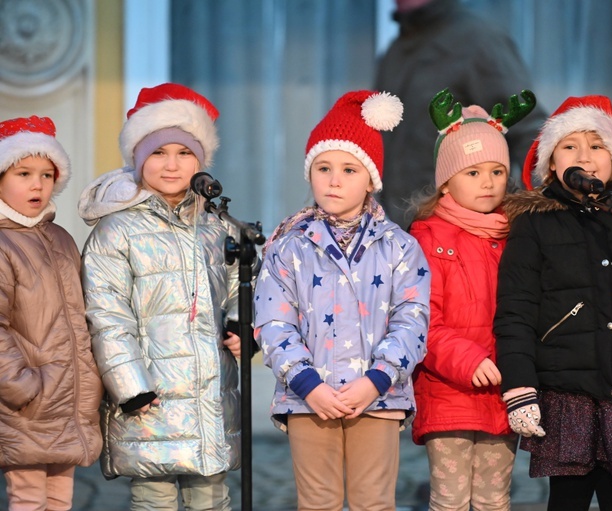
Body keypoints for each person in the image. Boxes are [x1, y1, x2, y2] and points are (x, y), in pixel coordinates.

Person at [493, 95, 612, 511]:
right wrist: (519, 386)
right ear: (550, 165)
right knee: (568, 499)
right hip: (568, 392)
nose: (585, 155)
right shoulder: (534, 225)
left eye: (596, 145)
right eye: (570, 146)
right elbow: (516, 309)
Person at [254, 90, 431, 511]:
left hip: (378, 397)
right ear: (309, 173)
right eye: (323, 167)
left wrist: (377, 379)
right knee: (317, 502)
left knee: (373, 501)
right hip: (308, 398)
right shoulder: (288, 247)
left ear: (370, 179)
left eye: (349, 169)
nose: (334, 179)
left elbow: (413, 319)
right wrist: (306, 383)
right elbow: (273, 322)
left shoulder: (399, 248)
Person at [79, 83, 241, 511]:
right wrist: (130, 386)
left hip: (207, 394)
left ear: (201, 161)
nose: (172, 165)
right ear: (137, 158)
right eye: (158, 153)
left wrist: (244, 324)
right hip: (148, 397)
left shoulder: (217, 226)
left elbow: (246, 281)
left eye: (184, 153)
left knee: (211, 496)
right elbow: (106, 312)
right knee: (154, 497)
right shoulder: (116, 231)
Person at [407, 88, 535, 510]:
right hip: (449, 391)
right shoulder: (428, 238)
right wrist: (468, 360)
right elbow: (423, 318)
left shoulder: (513, 235)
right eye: (473, 172)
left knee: (495, 499)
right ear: (447, 180)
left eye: (497, 171)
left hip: (503, 390)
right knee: (450, 498)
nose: (488, 183)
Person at [0, 116, 103, 511]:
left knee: (60, 499)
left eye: (47, 175)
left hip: (68, 393)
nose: (37, 184)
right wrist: (21, 384)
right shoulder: (5, 243)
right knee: (27, 497)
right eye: (23, 173)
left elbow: (79, 313)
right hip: (27, 400)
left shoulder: (60, 238)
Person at [374, 0, 547, 228]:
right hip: (400, 233)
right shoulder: (396, 50)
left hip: (461, 236)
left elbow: (528, 133)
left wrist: (547, 220)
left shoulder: (479, 40)